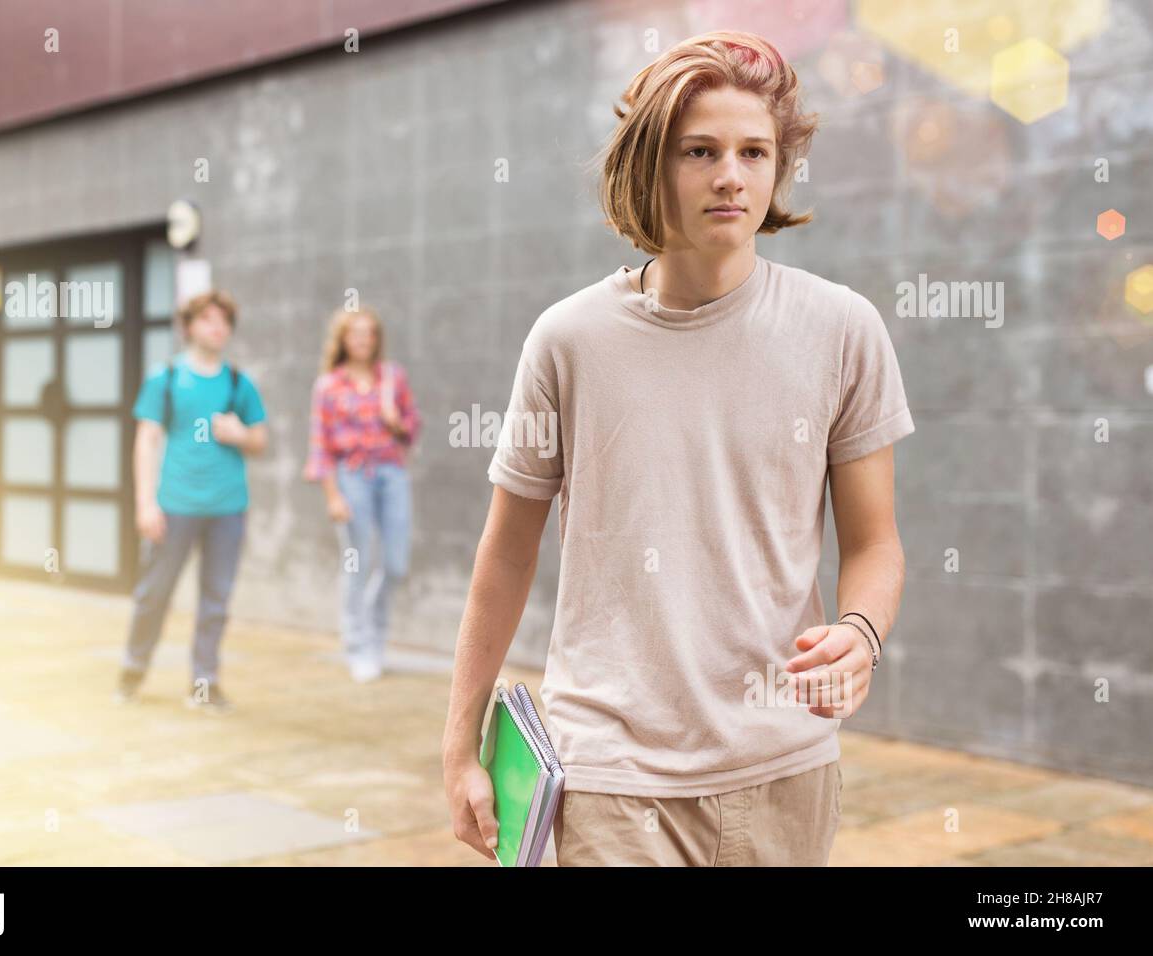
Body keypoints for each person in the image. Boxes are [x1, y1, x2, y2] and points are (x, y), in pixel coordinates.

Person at [442, 30, 915, 866]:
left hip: (785, 770)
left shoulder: (844, 330)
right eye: (700, 151)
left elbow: (875, 542)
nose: (731, 175)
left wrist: (862, 632)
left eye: (753, 151)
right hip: (612, 778)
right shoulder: (567, 340)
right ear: (650, 165)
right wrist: (458, 750)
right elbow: (505, 555)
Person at [115, 289, 268, 712]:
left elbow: (260, 439)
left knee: (215, 601)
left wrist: (240, 435)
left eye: (223, 321)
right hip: (175, 506)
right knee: (154, 593)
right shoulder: (164, 378)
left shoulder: (239, 383)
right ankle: (132, 670)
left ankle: (204, 684)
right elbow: (146, 440)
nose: (217, 328)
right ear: (189, 327)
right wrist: (145, 503)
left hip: (227, 508)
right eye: (207, 320)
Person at [304, 307, 422, 683]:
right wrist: (332, 496)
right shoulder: (328, 385)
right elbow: (320, 446)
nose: (363, 340)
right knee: (356, 564)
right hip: (351, 477)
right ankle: (359, 647)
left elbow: (412, 430)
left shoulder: (393, 377)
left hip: (392, 475)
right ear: (342, 339)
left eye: (369, 333)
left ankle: (374, 633)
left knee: (395, 564)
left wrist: (395, 421)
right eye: (355, 333)